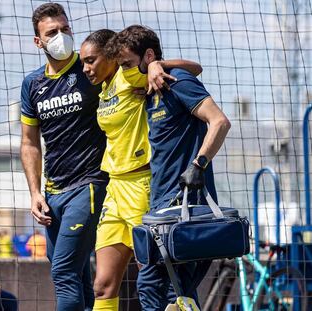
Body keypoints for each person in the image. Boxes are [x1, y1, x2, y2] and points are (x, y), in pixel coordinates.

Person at [106, 25, 231, 310]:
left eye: (127, 64)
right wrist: (155, 67)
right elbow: (196, 66)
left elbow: (220, 122)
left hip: (186, 205)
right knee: (177, 293)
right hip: (160, 204)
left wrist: (198, 165)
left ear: (148, 56)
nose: (124, 71)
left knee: (155, 286)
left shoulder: (177, 81)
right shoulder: (151, 89)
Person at [80, 30, 203, 310]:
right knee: (102, 285)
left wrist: (159, 64)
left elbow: (196, 69)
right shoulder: (104, 88)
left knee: (156, 279)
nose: (86, 68)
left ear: (112, 58)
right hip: (115, 188)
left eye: (92, 60)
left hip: (141, 186)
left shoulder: (130, 75)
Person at [20, 3, 109, 310]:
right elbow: (29, 143)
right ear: (38, 42)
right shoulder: (32, 84)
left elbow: (133, 60)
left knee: (63, 271)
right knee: (79, 274)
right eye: (52, 32)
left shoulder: (90, 69)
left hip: (90, 185)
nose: (62, 36)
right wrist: (35, 193)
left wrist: (152, 65)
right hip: (53, 193)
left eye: (65, 28)